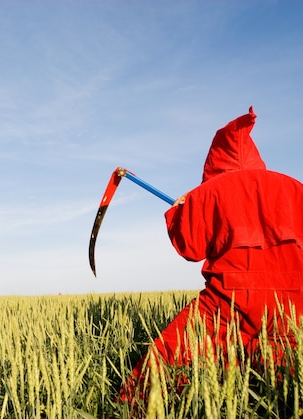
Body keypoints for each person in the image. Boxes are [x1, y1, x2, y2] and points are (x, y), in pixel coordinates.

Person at [122, 106, 303, 405]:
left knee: (169, 357)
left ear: (215, 158)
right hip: (294, 300)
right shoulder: (293, 186)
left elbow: (189, 248)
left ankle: (134, 407)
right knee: (282, 371)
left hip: (229, 299)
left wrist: (181, 211)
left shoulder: (208, 191)